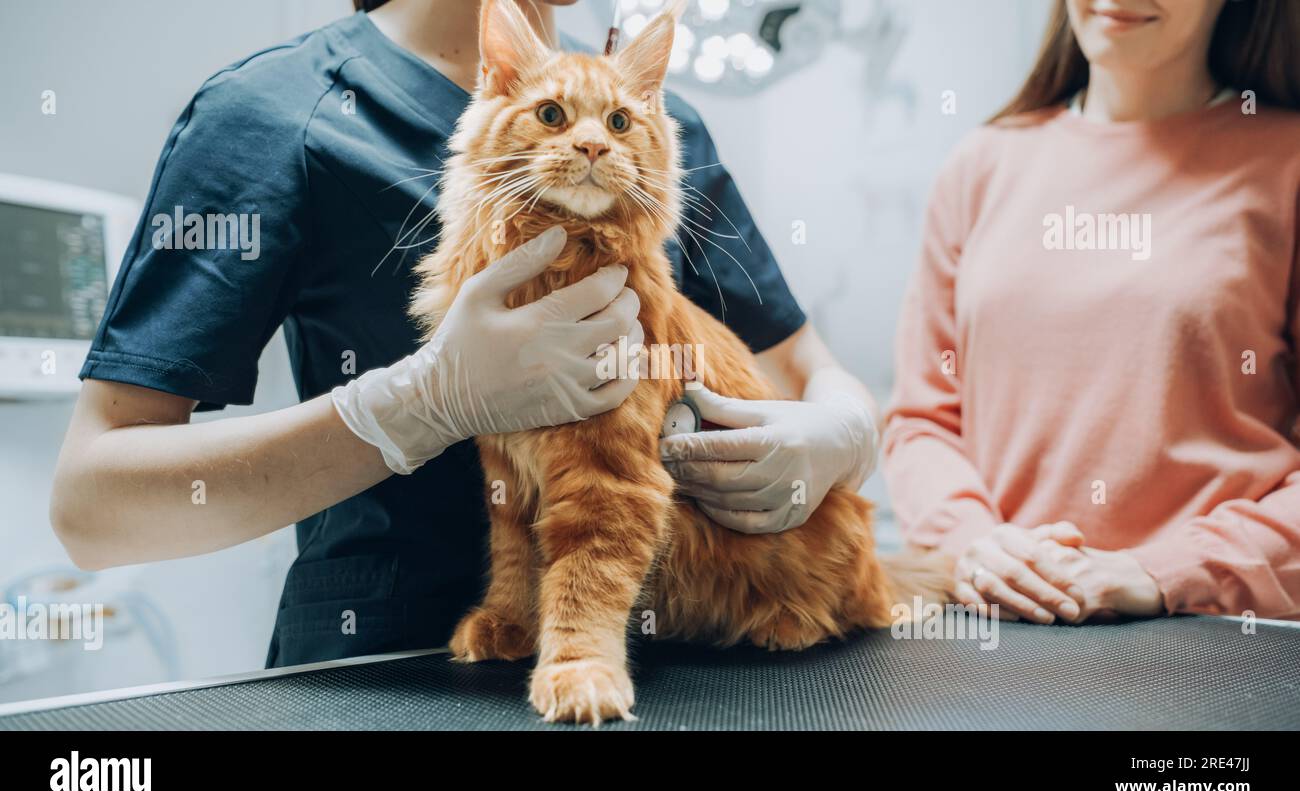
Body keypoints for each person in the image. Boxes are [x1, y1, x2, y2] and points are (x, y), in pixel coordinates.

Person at [49, 0, 880, 667]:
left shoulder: (657, 124)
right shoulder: (270, 114)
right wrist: (416, 405)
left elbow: (808, 368)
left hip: (689, 669)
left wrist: (845, 432)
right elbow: (94, 506)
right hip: (384, 674)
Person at [884, 0, 1300, 623]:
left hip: (1210, 644)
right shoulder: (981, 164)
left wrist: (1168, 570)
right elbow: (922, 421)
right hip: (998, 628)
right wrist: (975, 544)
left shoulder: (1287, 163)